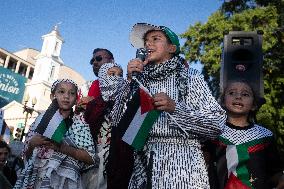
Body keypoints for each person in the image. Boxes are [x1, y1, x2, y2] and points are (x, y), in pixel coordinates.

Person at [110, 23, 227, 188]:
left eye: (155, 39)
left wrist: (176, 108)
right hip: (142, 167)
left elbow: (217, 123)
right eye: (146, 41)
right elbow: (116, 122)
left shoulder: (190, 77)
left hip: (183, 168)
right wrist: (129, 81)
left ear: (172, 48)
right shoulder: (138, 79)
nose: (148, 44)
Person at [13, 79, 98, 189]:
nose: (66, 96)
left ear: (76, 99)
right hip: (35, 178)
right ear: (53, 96)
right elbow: (26, 155)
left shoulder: (79, 123)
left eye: (72, 93)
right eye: (61, 92)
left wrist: (62, 148)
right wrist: (32, 143)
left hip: (64, 182)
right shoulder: (40, 120)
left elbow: (91, 158)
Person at [208, 79, 284, 189]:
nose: (238, 97)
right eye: (232, 93)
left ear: (254, 105)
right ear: (223, 101)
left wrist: (281, 178)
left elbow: (274, 172)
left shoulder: (265, 136)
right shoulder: (212, 132)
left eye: (245, 94)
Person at [84, 62, 123, 189]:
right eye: (112, 74)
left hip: (116, 163)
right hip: (92, 163)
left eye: (120, 75)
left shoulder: (125, 103)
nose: (117, 78)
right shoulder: (93, 106)